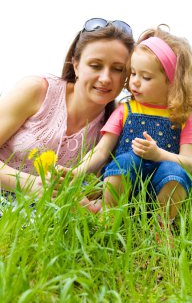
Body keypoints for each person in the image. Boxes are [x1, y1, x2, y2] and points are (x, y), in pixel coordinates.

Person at [72, 26, 192, 228]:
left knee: (176, 172)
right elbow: (101, 151)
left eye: (146, 77)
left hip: (160, 182)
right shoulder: (124, 110)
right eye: (133, 73)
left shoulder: (183, 118)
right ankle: (109, 214)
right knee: (125, 160)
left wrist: (158, 154)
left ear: (171, 82)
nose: (134, 82)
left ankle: (162, 224)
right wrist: (78, 172)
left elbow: (188, 162)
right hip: (125, 181)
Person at [0, 18, 134, 210]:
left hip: (41, 219)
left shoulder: (115, 128)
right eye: (95, 65)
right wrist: (30, 184)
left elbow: (97, 194)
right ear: (76, 64)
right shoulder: (37, 91)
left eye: (117, 69)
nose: (105, 78)